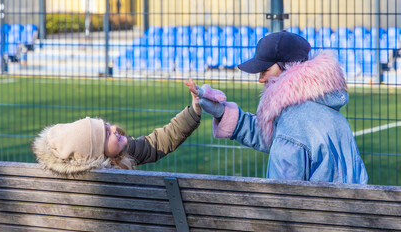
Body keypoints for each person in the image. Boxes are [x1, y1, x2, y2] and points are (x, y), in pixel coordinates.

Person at [186, 31, 368, 184]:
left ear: (288, 68)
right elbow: (275, 134)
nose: (260, 79)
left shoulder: (292, 127)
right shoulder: (331, 115)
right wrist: (222, 112)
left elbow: (280, 202)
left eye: (265, 71)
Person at [32, 82, 202, 175]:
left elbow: (157, 142)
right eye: (106, 134)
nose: (114, 128)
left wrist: (193, 111)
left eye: (106, 126)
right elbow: (157, 144)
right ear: (96, 155)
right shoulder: (111, 174)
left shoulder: (114, 157)